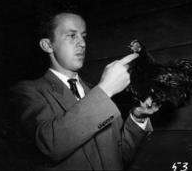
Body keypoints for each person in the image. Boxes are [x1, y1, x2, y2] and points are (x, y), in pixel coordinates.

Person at [11, 12, 159, 171]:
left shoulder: (95, 92)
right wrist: (106, 89)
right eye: (72, 35)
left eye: (83, 36)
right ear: (48, 45)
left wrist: (138, 117)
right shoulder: (27, 91)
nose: (82, 43)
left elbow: (120, 157)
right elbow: (49, 146)